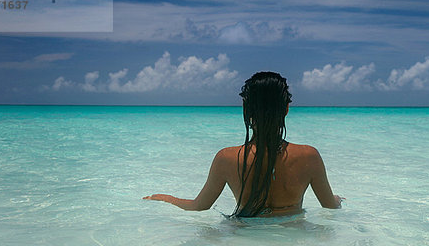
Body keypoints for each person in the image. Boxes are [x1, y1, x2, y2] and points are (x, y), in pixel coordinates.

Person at [143, 71, 342, 217]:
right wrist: (338, 199)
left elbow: (199, 207)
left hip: (243, 239)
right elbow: (329, 206)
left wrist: (167, 199)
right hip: (292, 237)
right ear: (286, 109)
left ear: (246, 109)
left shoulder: (227, 158)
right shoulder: (309, 156)